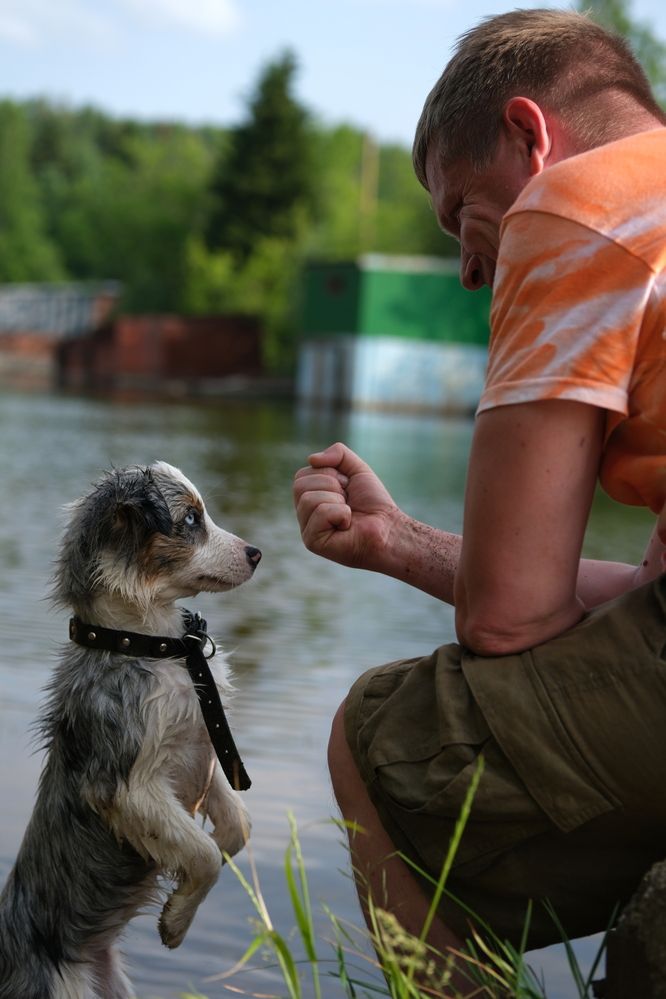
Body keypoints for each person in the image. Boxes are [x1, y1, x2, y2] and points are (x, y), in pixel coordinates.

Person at [293, 7, 666, 993]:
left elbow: (507, 622)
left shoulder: (579, 202)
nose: (466, 269)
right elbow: (647, 598)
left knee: (383, 734)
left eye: (463, 214)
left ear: (530, 134)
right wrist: (400, 542)